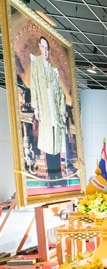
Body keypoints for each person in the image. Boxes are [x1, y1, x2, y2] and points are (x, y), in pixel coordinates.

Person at [30, 36, 67, 182]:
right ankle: (51, 175)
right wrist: (36, 107)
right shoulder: (36, 63)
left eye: (47, 48)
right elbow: (34, 84)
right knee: (48, 142)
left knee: (56, 143)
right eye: (43, 47)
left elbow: (60, 94)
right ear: (40, 47)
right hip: (45, 109)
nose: (45, 51)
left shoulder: (53, 70)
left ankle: (58, 174)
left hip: (55, 111)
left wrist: (62, 110)